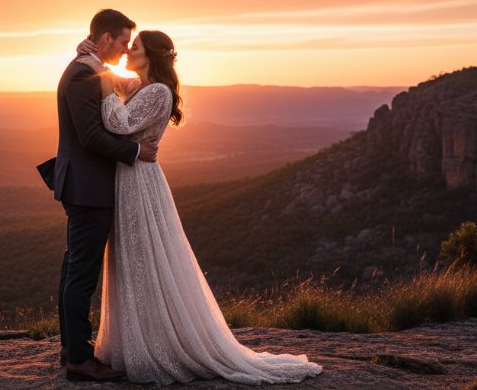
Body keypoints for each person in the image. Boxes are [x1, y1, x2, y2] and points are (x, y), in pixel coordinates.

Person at [74, 30, 323, 385]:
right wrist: (90, 55)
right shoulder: (138, 87)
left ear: (152, 56)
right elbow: (109, 76)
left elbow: (119, 124)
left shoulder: (158, 92)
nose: (128, 51)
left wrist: (105, 91)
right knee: (131, 260)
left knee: (145, 259)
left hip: (139, 182)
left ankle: (158, 346)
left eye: (136, 48)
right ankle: (137, 343)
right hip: (128, 179)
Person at [54, 8, 160, 382]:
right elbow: (91, 136)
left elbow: (112, 81)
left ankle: (71, 348)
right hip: (88, 187)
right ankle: (79, 359)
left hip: (81, 184)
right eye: (123, 42)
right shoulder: (84, 74)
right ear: (105, 39)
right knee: (81, 271)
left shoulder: (86, 67)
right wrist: (135, 152)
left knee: (74, 266)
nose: (126, 49)